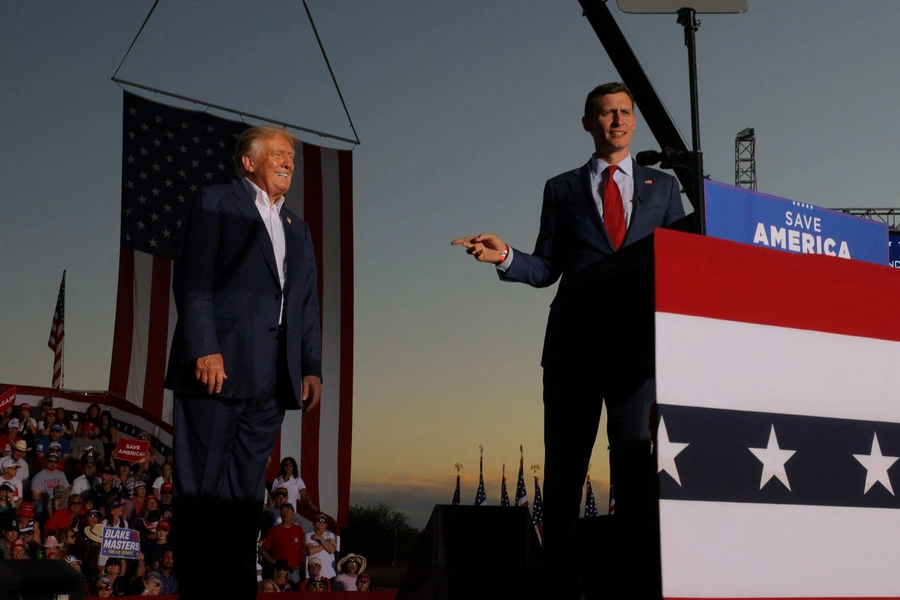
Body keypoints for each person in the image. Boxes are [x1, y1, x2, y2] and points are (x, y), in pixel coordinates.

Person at [451, 82, 685, 599]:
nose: (617, 121)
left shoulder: (664, 188)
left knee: (634, 471)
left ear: (635, 122)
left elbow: (678, 263)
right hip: (573, 351)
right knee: (563, 474)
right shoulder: (561, 188)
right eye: (606, 113)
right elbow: (547, 266)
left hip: (637, 352)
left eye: (625, 112)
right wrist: (506, 256)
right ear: (588, 123)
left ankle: (638, 584)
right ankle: (557, 584)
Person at [164, 125, 323, 600]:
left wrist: (309, 364)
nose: (288, 161)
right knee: (203, 493)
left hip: (272, 378)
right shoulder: (215, 201)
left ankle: (235, 589)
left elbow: (306, 301)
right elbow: (193, 279)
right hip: (217, 368)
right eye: (277, 153)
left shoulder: (298, 226)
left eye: (291, 156)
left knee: (244, 496)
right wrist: (204, 347)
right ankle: (198, 590)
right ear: (249, 162)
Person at [259, 503, 305, 580]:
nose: (285, 513)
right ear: (280, 513)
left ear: (293, 514)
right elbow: (262, 550)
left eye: (287, 511)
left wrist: (302, 564)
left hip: (294, 571)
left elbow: (303, 549)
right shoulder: (274, 530)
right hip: (279, 572)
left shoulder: (299, 530)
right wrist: (272, 561)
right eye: (283, 511)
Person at [304, 513, 337, 578]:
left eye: (323, 521)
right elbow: (311, 551)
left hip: (329, 574)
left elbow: (331, 550)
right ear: (314, 523)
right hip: (313, 573)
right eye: (318, 520)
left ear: (326, 525)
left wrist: (320, 538)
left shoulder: (330, 535)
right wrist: (325, 542)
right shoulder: (308, 535)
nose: (321, 522)